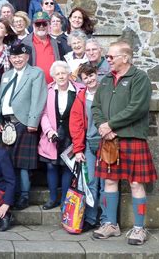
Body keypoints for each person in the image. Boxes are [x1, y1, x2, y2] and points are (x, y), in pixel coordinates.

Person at [91, 40, 157, 245]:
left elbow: (137, 107)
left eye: (111, 57)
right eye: (107, 57)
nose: (107, 60)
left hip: (132, 138)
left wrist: (110, 125)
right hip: (110, 140)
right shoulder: (106, 80)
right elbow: (96, 107)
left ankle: (139, 228)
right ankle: (111, 224)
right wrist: (103, 126)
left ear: (125, 58)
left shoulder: (140, 78)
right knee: (109, 182)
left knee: (136, 183)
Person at [0, 44, 47, 210]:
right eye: (14, 57)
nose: (17, 59)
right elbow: (0, 99)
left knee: (23, 164)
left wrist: (32, 122)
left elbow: (38, 98)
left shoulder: (36, 73)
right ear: (10, 58)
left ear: (27, 57)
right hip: (6, 123)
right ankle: (11, 193)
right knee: (7, 162)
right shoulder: (7, 75)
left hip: (24, 122)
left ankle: (24, 196)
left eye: (20, 57)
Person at [38, 61, 85, 210]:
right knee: (51, 167)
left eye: (63, 73)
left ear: (68, 74)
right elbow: (43, 114)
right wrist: (49, 131)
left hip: (72, 135)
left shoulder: (79, 90)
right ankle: (52, 198)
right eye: (57, 74)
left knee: (67, 168)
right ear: (53, 76)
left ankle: (65, 199)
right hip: (52, 135)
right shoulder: (48, 90)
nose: (61, 76)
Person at [70, 64, 104, 232]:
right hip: (89, 144)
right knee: (91, 183)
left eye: (92, 76)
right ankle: (90, 218)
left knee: (106, 184)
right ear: (81, 80)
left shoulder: (106, 93)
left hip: (107, 144)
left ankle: (106, 219)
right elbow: (75, 124)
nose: (90, 80)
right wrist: (78, 149)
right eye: (86, 78)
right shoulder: (81, 97)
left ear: (97, 74)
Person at [23, 11, 63, 84]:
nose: (41, 26)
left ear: (49, 25)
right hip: (33, 86)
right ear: (33, 25)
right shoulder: (24, 44)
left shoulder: (57, 44)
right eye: (38, 24)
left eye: (44, 24)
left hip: (53, 87)